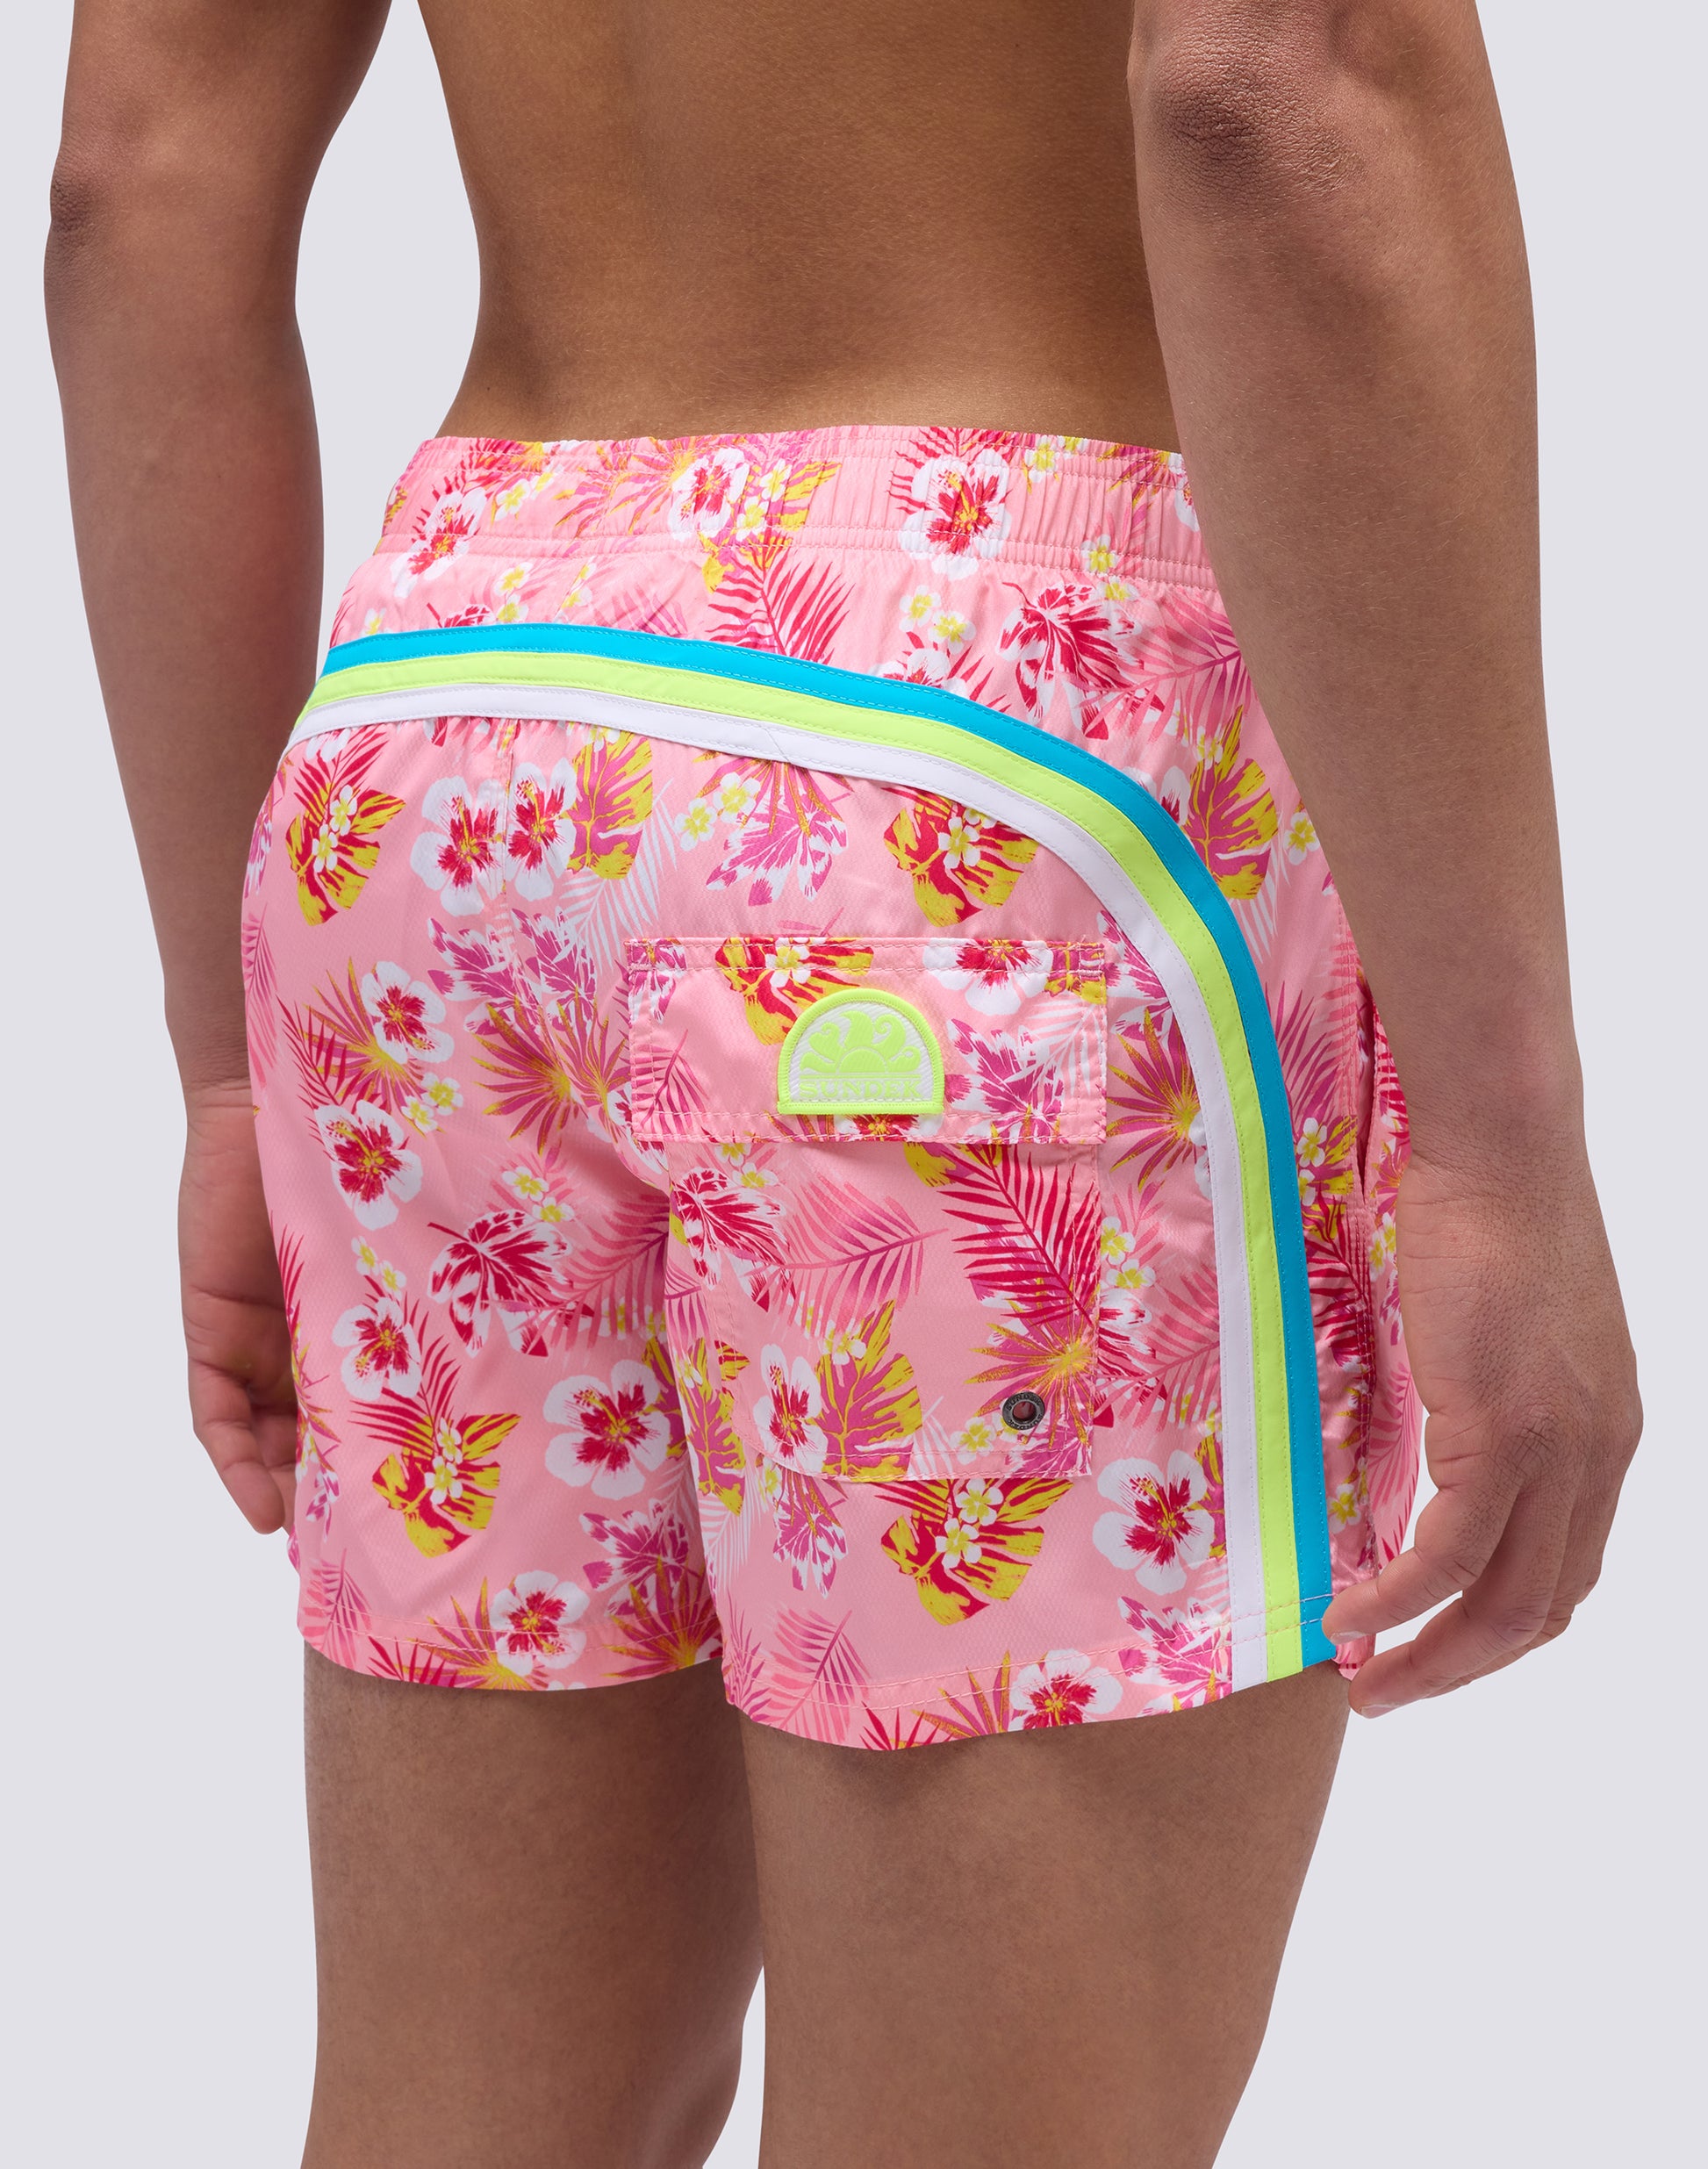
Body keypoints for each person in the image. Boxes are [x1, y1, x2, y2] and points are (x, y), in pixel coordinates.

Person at [46, 3, 1640, 2163]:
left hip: (446, 738)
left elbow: (133, 191)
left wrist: (230, 1073)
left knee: (476, 2118)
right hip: (988, 755)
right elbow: (1279, 71)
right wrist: (1503, 1145)